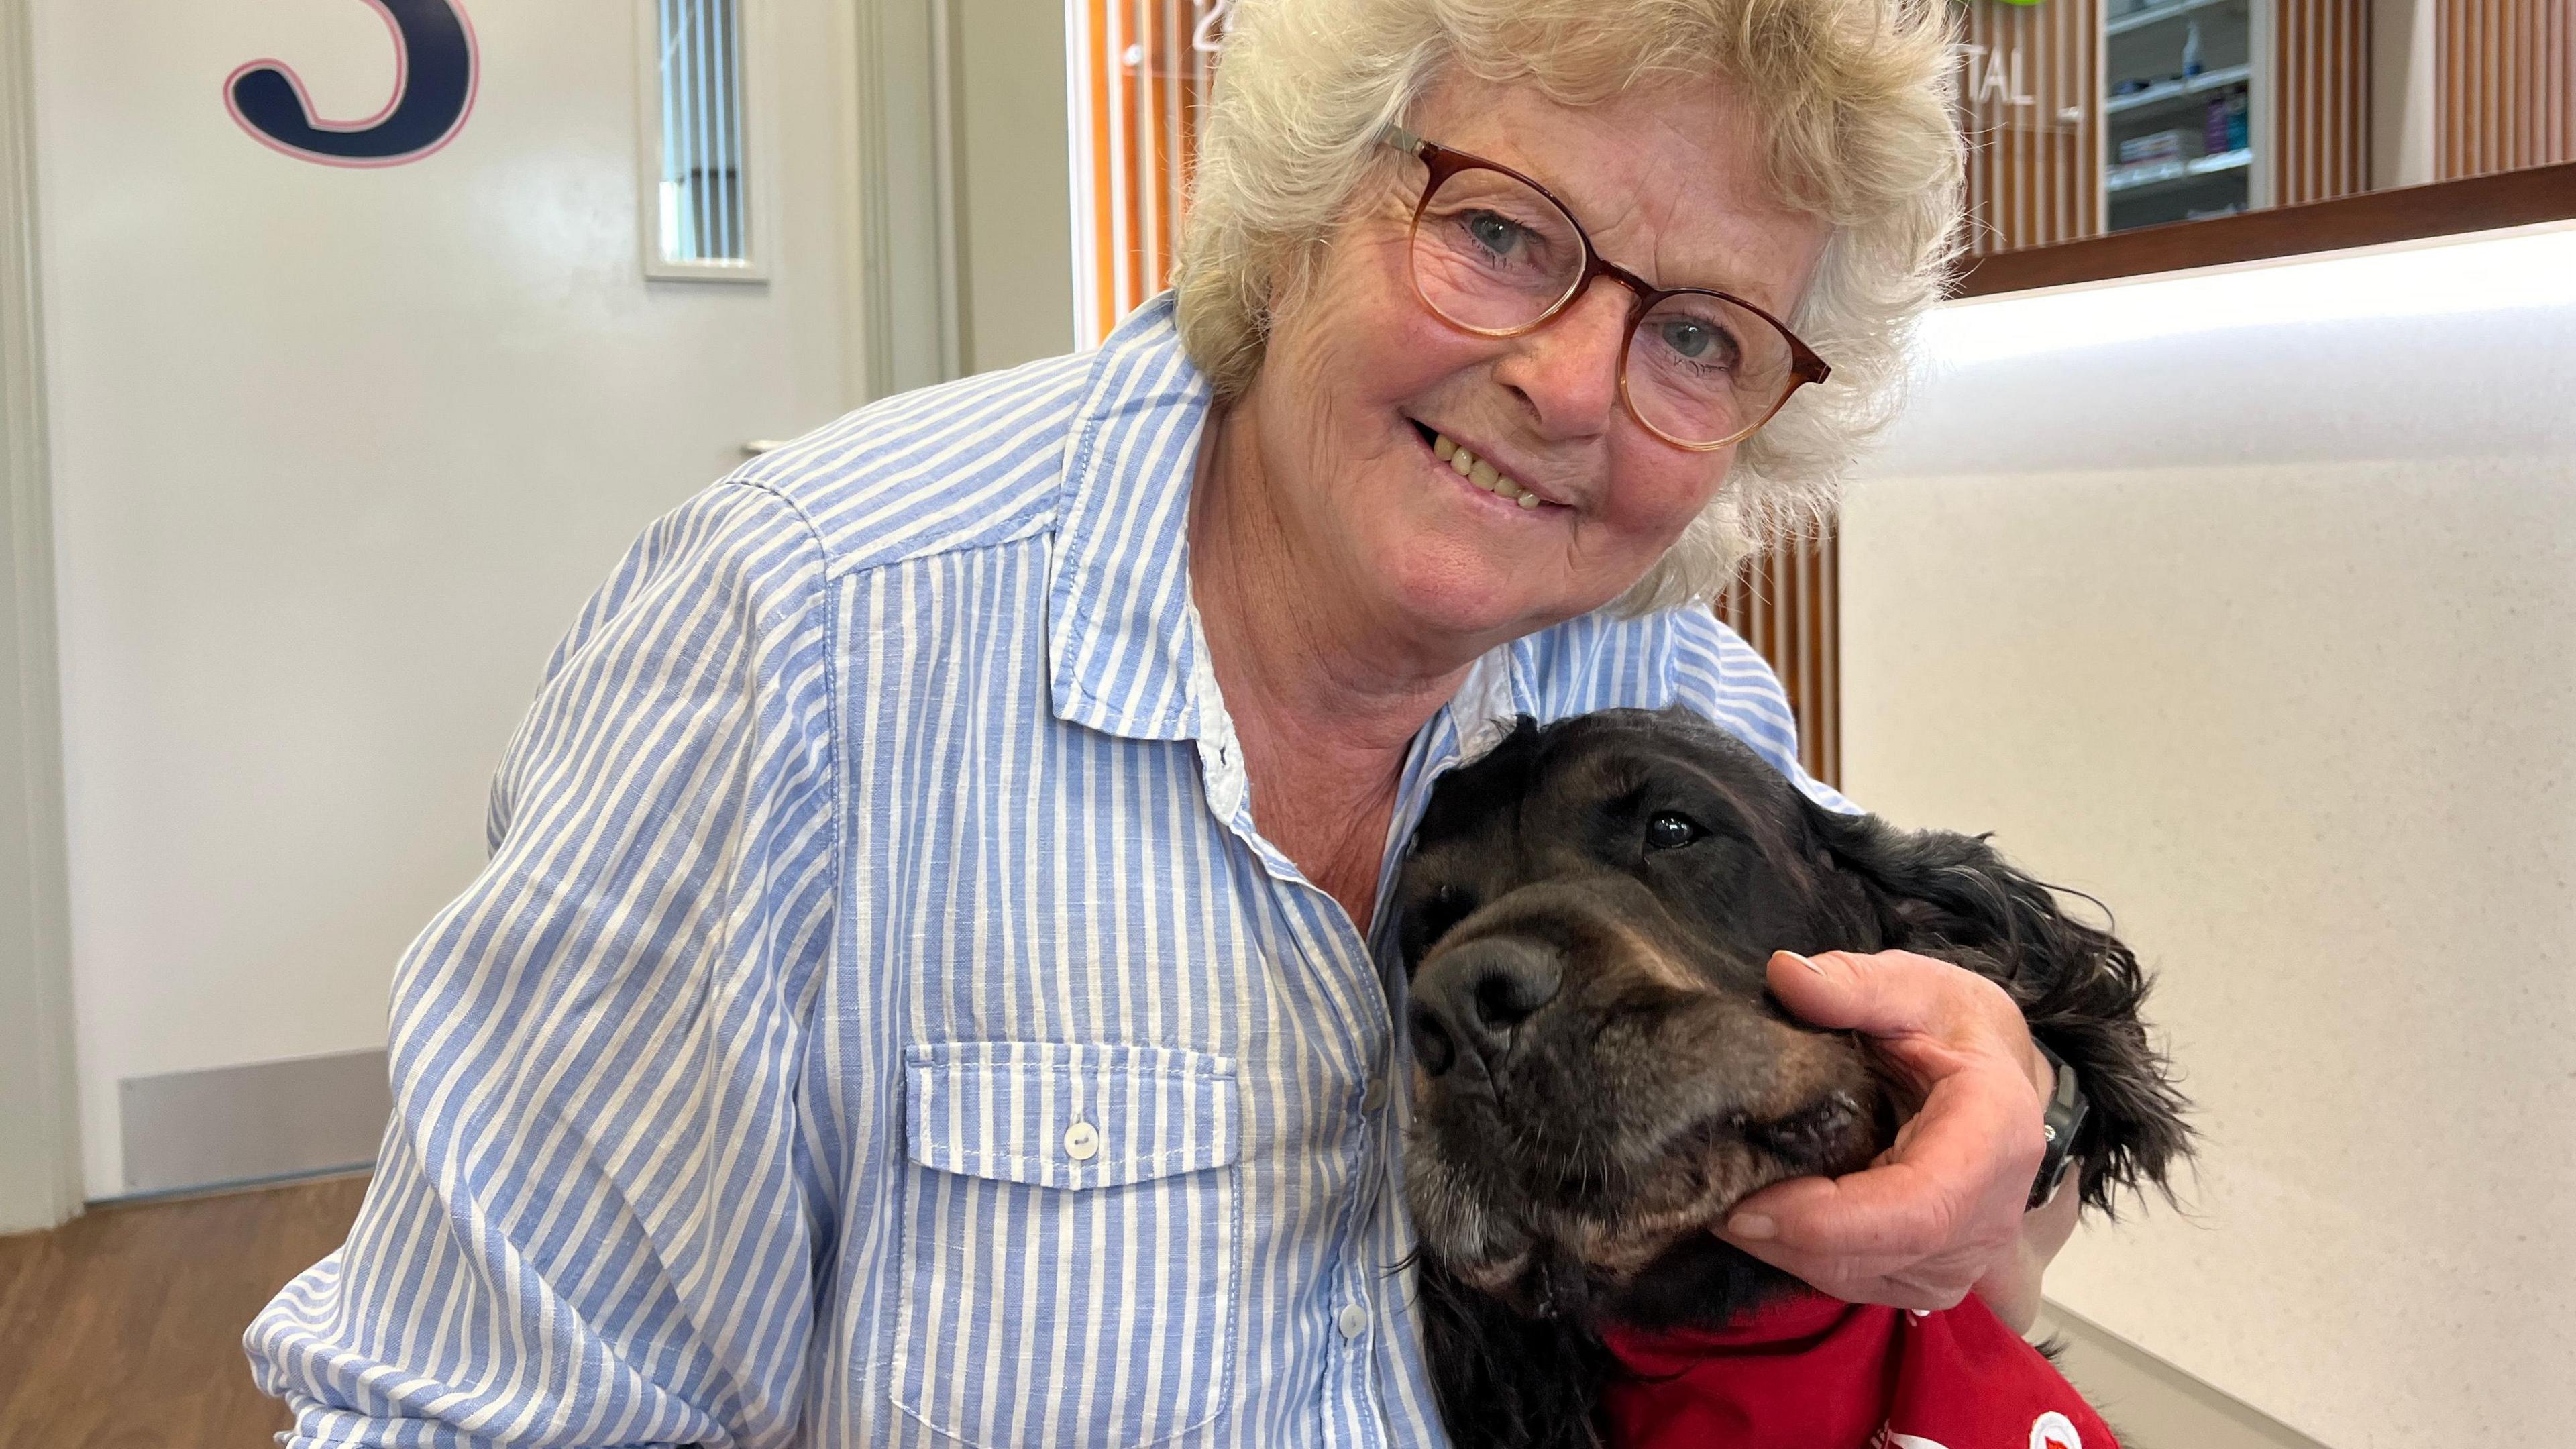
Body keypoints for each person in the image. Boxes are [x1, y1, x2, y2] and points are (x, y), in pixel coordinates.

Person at [248, 0, 2072, 1442]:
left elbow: (1981, 1086)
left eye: (1698, 340)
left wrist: (2007, 1132)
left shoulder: (1668, 689)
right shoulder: (806, 635)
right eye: (1504, 233)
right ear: (1302, 204)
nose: (1572, 383)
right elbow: (460, 1422)